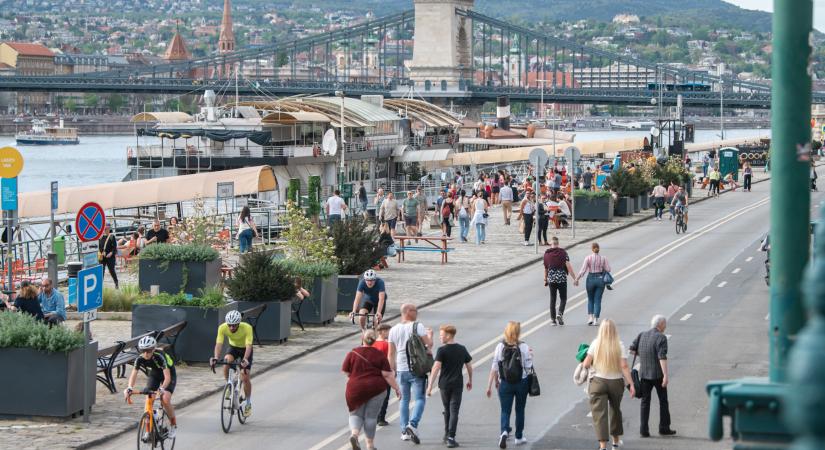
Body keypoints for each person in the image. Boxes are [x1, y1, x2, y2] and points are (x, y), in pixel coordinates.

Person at [343, 329, 401, 450]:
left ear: (362, 338)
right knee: (371, 417)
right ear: (374, 340)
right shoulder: (379, 355)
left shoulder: (353, 353)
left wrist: (354, 377)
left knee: (355, 414)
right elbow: (387, 374)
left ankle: (354, 434)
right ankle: (370, 445)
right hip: (376, 389)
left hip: (355, 389)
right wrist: (396, 388)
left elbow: (346, 371)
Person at [582, 320, 635, 450]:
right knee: (615, 411)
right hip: (616, 382)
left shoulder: (595, 343)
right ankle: (615, 442)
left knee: (599, 414)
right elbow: (624, 366)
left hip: (598, 382)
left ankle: (602, 446)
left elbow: (586, 364)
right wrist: (631, 384)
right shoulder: (619, 345)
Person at [388, 303, 434, 444]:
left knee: (404, 400)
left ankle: (404, 432)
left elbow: (390, 354)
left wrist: (392, 372)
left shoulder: (393, 330)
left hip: (401, 369)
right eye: (415, 310)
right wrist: (430, 335)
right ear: (408, 311)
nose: (417, 313)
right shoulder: (417, 326)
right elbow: (429, 345)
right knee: (420, 398)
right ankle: (412, 425)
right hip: (416, 368)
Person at [486, 321, 533, 448]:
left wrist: (491, 385)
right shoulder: (523, 347)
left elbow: (495, 367)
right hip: (521, 382)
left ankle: (504, 431)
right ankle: (519, 436)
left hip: (505, 383)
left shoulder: (500, 347)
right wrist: (530, 356)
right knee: (520, 409)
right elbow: (528, 367)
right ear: (518, 332)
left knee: (505, 410)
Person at [629, 315, 676, 438]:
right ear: (660, 325)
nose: (665, 326)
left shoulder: (642, 335)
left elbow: (631, 350)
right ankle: (664, 428)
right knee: (663, 401)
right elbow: (662, 357)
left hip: (644, 374)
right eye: (664, 324)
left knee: (645, 402)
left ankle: (644, 430)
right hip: (657, 375)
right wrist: (665, 375)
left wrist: (644, 355)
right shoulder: (661, 337)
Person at [427, 325, 473, 448]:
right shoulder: (462, 349)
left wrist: (430, 385)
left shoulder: (442, 350)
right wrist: (470, 379)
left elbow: (436, 368)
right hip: (457, 384)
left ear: (448, 335)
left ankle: (447, 434)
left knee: (447, 409)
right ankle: (451, 437)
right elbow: (469, 365)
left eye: (441, 336)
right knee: (454, 411)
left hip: (444, 385)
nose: (440, 338)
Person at [124, 336, 178, 439]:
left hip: (168, 374)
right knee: (148, 400)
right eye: (143, 351)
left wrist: (161, 389)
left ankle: (173, 425)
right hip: (155, 375)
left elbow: (167, 378)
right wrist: (129, 387)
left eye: (148, 351)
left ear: (153, 349)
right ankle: (148, 431)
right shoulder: (139, 359)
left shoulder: (160, 356)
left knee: (165, 399)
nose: (146, 353)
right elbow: (133, 374)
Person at [211, 310, 254, 417]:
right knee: (226, 361)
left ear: (239, 323)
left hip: (245, 349)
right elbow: (219, 344)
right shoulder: (222, 327)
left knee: (245, 377)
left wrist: (245, 359)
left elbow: (249, 345)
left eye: (234, 326)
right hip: (233, 348)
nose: (231, 328)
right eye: (230, 325)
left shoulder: (247, 328)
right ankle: (229, 385)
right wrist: (216, 357)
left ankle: (248, 403)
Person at [575, 242, 612, 326]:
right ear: (599, 249)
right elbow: (608, 269)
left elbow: (583, 270)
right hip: (600, 280)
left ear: (592, 249)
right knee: (598, 300)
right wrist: (602, 267)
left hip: (590, 279)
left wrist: (577, 279)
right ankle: (596, 319)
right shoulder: (603, 258)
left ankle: (590, 317)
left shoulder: (588, 258)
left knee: (590, 299)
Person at [543, 237, 575, 326]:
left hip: (551, 279)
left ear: (551, 244)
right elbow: (568, 267)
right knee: (563, 298)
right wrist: (574, 278)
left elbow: (546, 268)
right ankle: (560, 313)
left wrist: (545, 279)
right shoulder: (563, 253)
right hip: (561, 278)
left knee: (553, 299)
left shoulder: (546, 254)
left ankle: (553, 320)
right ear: (558, 243)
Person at [374, 323, 393, 427]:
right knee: (385, 396)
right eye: (388, 331)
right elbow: (389, 358)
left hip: (374, 373)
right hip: (384, 373)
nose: (389, 333)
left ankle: (374, 416)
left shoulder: (372, 343)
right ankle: (381, 418)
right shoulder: (386, 344)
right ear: (383, 332)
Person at [99, 224, 119, 289]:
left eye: (106, 229)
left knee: (111, 270)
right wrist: (100, 253)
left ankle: (116, 282)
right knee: (101, 271)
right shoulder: (101, 237)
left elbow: (115, 248)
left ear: (109, 229)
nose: (105, 230)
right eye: (104, 229)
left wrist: (111, 253)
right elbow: (99, 247)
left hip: (110, 257)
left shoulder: (111, 236)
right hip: (102, 257)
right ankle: (100, 285)